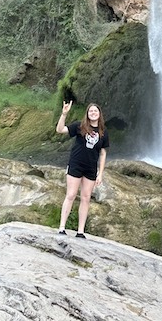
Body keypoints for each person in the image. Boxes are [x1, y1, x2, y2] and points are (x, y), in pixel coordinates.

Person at [55, 99, 109, 238]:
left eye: (95, 111)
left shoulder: (103, 131)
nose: (93, 113)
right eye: (90, 111)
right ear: (87, 114)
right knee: (71, 195)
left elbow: (103, 153)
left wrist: (100, 173)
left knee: (86, 198)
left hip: (91, 168)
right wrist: (64, 114)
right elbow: (60, 130)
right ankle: (62, 227)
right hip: (76, 164)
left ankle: (80, 231)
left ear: (99, 114)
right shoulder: (80, 126)